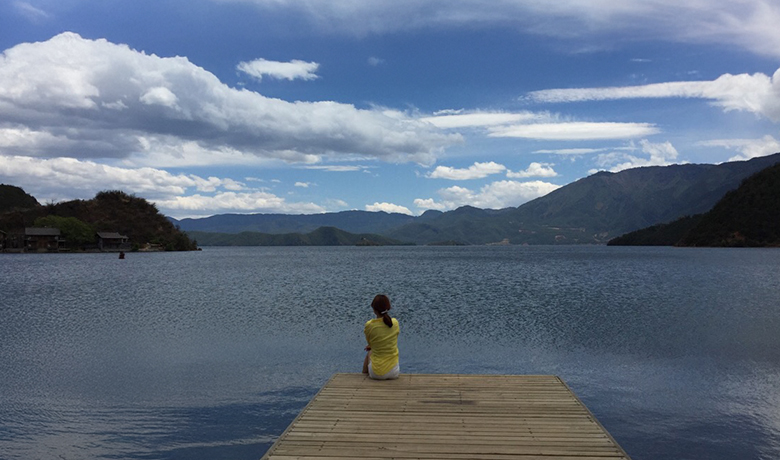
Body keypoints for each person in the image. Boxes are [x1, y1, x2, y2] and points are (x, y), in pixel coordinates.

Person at [362, 294, 400, 380]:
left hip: (376, 373)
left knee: (370, 352)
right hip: (394, 372)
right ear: (388, 308)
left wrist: (371, 347)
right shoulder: (395, 323)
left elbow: (370, 343)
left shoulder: (370, 325)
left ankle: (363, 378)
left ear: (374, 310)